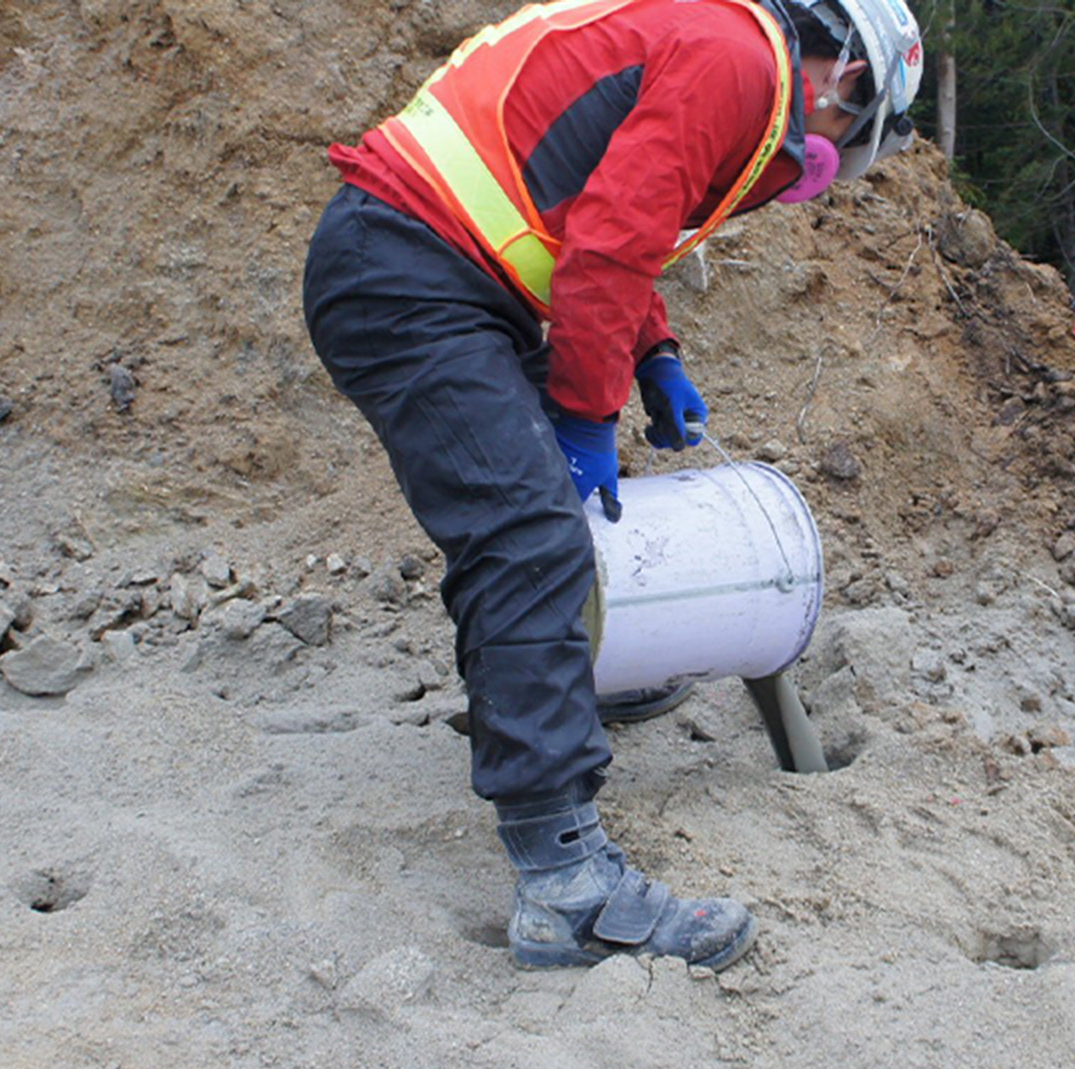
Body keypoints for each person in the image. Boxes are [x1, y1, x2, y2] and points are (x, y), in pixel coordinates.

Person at [302, 0, 923, 970]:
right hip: (408, 274)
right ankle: (565, 885)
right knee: (529, 533)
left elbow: (614, 212)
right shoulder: (736, 68)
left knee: (527, 521)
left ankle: (567, 679)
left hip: (422, 263)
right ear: (845, 78)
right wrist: (589, 417)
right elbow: (604, 246)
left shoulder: (718, 46)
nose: (835, 158)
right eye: (857, 133)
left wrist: (655, 354)